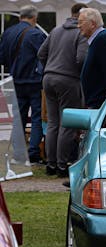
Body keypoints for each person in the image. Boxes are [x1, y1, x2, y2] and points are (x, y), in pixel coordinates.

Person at [37, 3, 88, 177]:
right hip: (68, 79)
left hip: (48, 78)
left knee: (52, 123)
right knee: (66, 124)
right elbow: (81, 58)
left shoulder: (56, 30)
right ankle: (61, 165)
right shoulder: (80, 33)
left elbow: (40, 54)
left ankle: (50, 165)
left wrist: (50, 66)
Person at [0, 5, 46, 165]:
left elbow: (2, 58)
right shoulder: (36, 34)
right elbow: (43, 57)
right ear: (34, 18)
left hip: (15, 80)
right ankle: (33, 153)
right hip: (34, 81)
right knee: (36, 117)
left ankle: (18, 154)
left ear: (21, 16)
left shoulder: (8, 33)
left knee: (17, 118)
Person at [78, 7, 106, 109]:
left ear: (93, 24)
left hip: (101, 105)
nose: (78, 26)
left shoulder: (102, 40)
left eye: (81, 22)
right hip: (99, 103)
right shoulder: (100, 39)